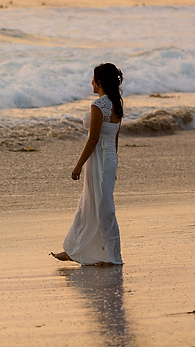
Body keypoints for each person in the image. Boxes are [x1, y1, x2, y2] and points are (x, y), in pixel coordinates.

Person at [52, 63, 124, 266]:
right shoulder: (116, 104)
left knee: (102, 207)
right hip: (109, 158)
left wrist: (78, 165)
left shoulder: (98, 105)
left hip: (99, 159)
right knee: (91, 204)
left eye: (93, 78)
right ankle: (74, 250)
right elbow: (115, 138)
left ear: (99, 81)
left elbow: (93, 139)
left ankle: (112, 256)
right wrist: (114, 163)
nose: (91, 82)